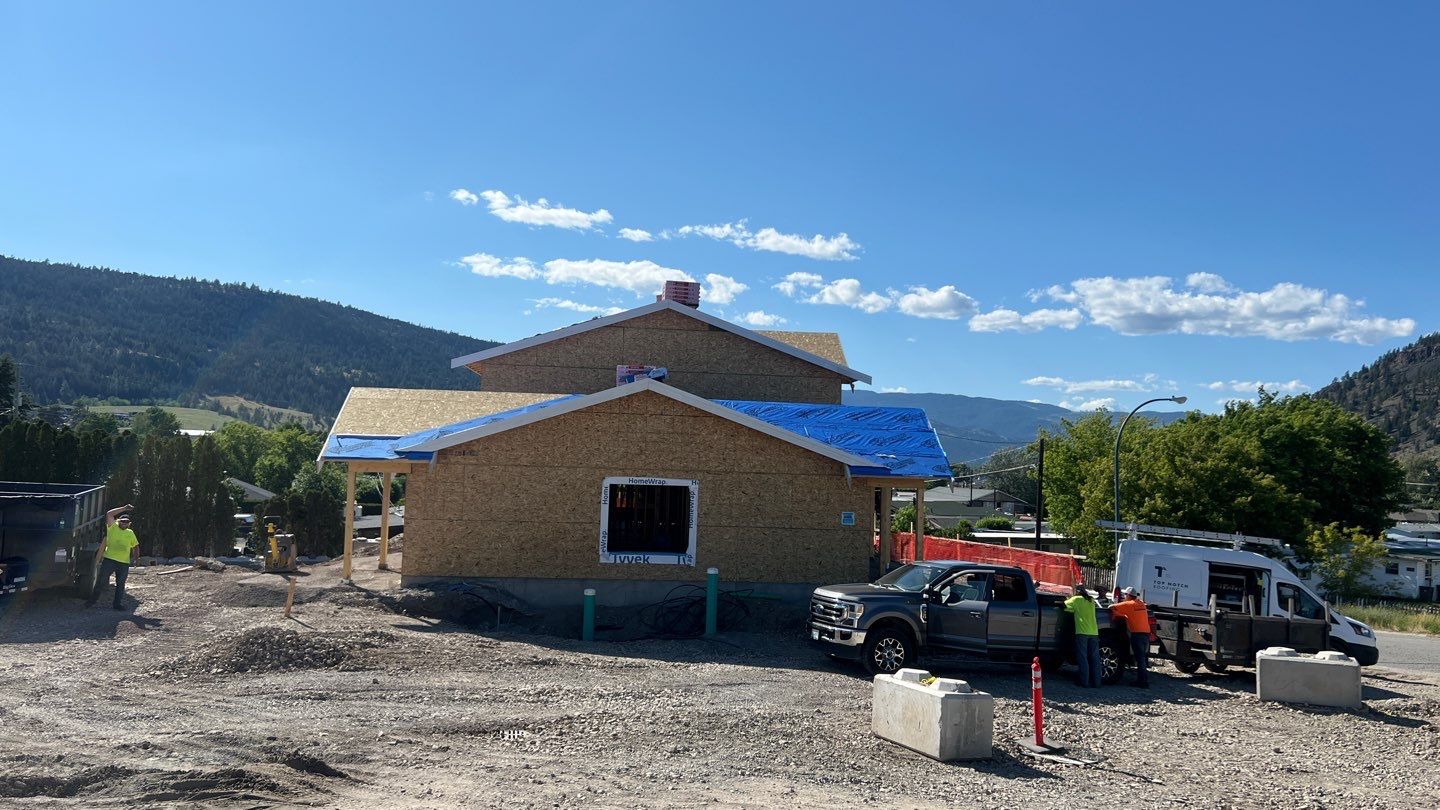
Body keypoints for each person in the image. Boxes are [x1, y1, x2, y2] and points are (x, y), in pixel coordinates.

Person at [87, 504, 139, 611]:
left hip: (124, 563)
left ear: (129, 524)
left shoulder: (130, 533)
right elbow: (109, 514)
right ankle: (91, 601)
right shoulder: (112, 527)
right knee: (101, 581)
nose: (124, 523)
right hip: (109, 560)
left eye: (126, 522)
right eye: (122, 521)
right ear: (118, 521)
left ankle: (117, 604)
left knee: (120, 584)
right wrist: (124, 508)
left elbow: (135, 546)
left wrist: (136, 559)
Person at [1111, 586, 1152, 688]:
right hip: (1146, 634)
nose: (1124, 596)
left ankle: (1142, 682)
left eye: (1125, 595)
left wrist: (1116, 613)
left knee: (1140, 659)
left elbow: (1111, 606)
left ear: (1128, 595)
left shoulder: (1129, 604)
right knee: (1142, 658)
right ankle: (1143, 679)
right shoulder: (1141, 603)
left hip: (1137, 634)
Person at [1064, 583, 1102, 688]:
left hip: (1082, 632)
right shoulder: (1091, 600)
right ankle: (1097, 682)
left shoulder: (1076, 599)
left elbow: (1064, 606)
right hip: (1094, 632)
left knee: (1082, 657)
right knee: (1095, 658)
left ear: (1076, 591)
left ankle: (1083, 681)